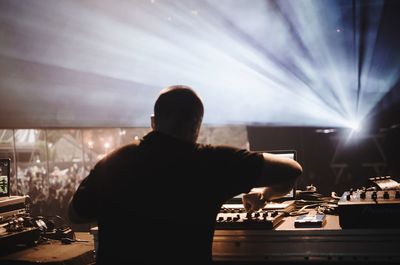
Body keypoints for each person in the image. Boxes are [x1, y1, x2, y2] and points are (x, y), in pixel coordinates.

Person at [68, 85, 302, 264]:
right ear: (197, 125)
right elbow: (291, 169)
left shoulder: (114, 161)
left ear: (153, 122)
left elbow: (76, 215)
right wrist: (265, 195)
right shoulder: (213, 162)